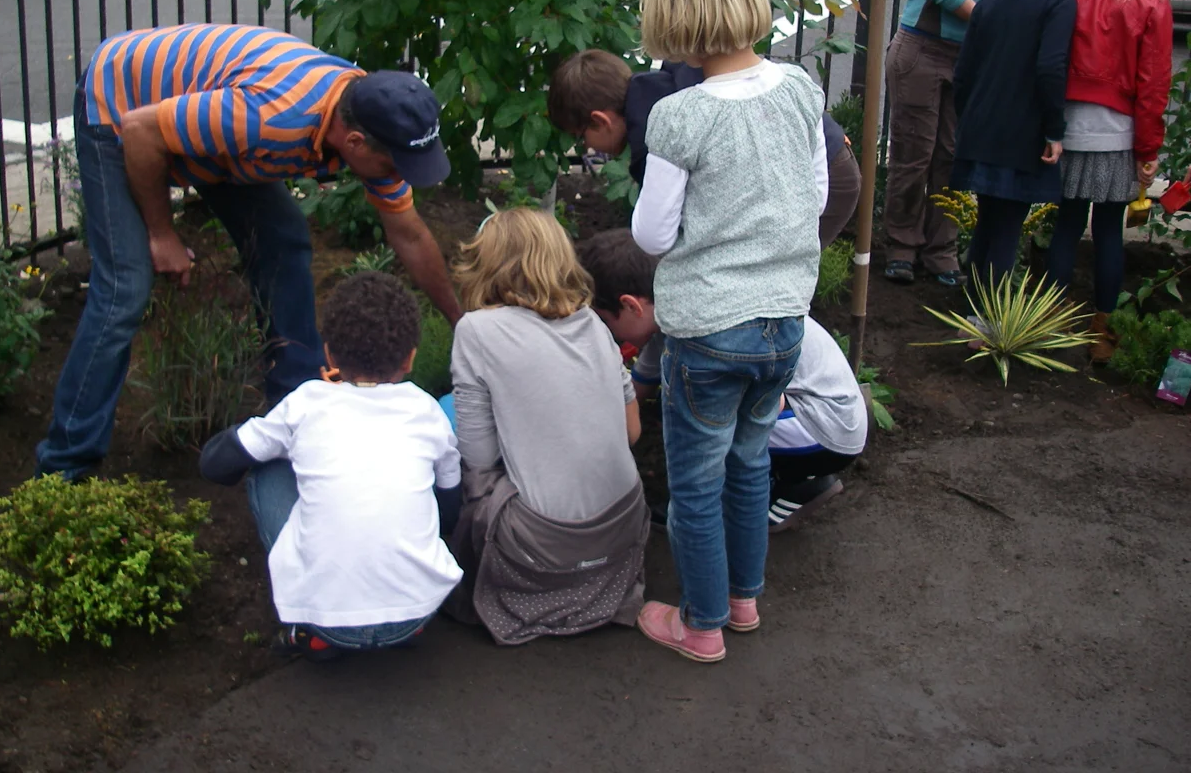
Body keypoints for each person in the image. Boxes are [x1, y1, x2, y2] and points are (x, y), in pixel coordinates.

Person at [36, 24, 462, 481]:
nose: (399, 175)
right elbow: (141, 132)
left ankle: (298, 413)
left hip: (199, 123)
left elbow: (411, 236)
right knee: (125, 288)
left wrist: (463, 323)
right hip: (121, 106)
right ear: (354, 144)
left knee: (283, 240)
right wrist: (162, 234)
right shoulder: (271, 119)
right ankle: (65, 465)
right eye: (397, 166)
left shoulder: (369, 118)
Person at [629, 0, 826, 663]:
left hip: (709, 329)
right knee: (751, 465)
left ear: (672, 15)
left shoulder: (682, 115)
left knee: (696, 485)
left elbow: (651, 235)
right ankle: (743, 600)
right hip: (784, 323)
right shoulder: (800, 89)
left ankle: (701, 623)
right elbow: (813, 195)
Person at [199, 272, 463, 662]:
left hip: (326, 622)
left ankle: (310, 630)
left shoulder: (307, 403)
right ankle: (401, 606)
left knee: (269, 467)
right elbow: (450, 505)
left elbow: (214, 464)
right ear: (410, 357)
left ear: (329, 355)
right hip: (417, 612)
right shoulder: (426, 410)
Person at [443, 208, 649, 645]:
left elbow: (478, 459)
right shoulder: (593, 322)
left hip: (541, 549)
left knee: (465, 466)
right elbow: (632, 434)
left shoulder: (476, 331)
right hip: (623, 529)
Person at [577, 229, 868, 532]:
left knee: (696, 410)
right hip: (824, 413)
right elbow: (638, 389)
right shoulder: (671, 302)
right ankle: (784, 480)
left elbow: (764, 400)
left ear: (631, 307)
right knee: (690, 403)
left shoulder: (704, 325)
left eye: (604, 322)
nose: (604, 334)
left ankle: (746, 498)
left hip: (826, 429)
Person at [882, 0, 1043, 287]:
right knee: (915, 155)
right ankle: (902, 246)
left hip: (965, 55)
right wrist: (1000, 27)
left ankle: (941, 250)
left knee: (953, 157)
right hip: (923, 52)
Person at [548, 49, 859, 247]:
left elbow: (661, 235)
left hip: (823, 169)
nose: (587, 149)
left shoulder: (653, 130)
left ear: (600, 121)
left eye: (581, 137)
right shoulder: (661, 88)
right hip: (817, 156)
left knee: (778, 267)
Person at [1045, 0, 1173, 363]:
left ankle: (1051, 322)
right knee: (1108, 232)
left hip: (1065, 125)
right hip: (1118, 132)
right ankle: (1102, 334)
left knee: (1066, 224)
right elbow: (1153, 82)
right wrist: (1149, 150)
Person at [951, 0, 1078, 289]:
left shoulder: (989, 1)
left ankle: (973, 310)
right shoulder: (1059, 4)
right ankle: (991, 322)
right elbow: (1051, 67)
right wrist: (1055, 130)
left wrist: (968, 119)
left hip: (981, 127)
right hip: (1023, 133)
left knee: (988, 223)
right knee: (1007, 226)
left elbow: (963, 73)